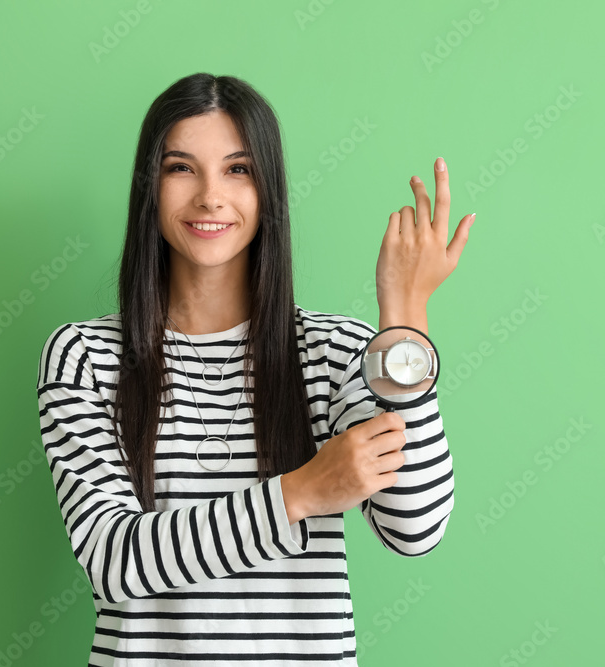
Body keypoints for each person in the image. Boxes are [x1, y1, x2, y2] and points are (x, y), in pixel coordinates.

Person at [36, 72, 472, 666]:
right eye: (180, 168)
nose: (210, 196)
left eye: (238, 169)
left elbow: (414, 529)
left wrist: (404, 319)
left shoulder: (335, 351)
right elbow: (115, 562)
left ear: (268, 190)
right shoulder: (86, 357)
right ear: (149, 187)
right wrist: (301, 492)